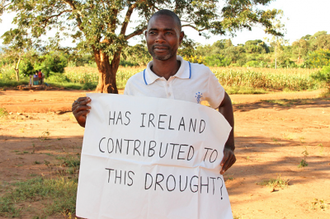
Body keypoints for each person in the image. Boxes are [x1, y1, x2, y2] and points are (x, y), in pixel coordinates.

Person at [72, 9, 236, 174]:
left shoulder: (201, 75)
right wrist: (88, 121)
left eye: (168, 33)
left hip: (191, 174)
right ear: (146, 36)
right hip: (150, 176)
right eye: (153, 32)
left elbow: (224, 103)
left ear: (180, 37)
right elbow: (125, 132)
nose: (159, 38)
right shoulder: (135, 84)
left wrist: (228, 145)